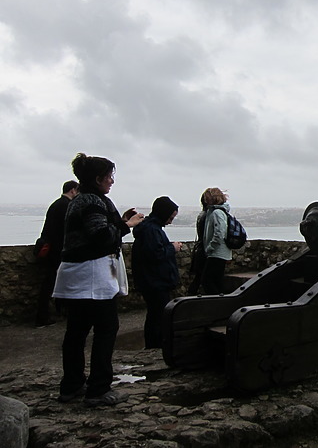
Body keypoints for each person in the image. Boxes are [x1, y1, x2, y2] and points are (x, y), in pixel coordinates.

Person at [52, 153, 144, 407]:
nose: (111, 181)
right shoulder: (92, 201)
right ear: (97, 178)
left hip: (76, 276)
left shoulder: (80, 200)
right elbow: (101, 236)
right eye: (109, 176)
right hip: (91, 277)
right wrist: (128, 226)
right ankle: (98, 389)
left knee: (76, 333)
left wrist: (121, 220)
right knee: (106, 330)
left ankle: (71, 385)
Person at [131, 196, 182, 349]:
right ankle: (155, 346)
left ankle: (154, 344)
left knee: (155, 315)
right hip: (155, 281)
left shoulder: (149, 228)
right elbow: (155, 255)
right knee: (158, 316)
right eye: (170, 217)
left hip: (151, 280)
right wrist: (172, 248)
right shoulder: (152, 230)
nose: (170, 221)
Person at [34, 180, 79, 327]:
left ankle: (51, 313)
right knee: (52, 283)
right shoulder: (66, 206)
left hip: (50, 249)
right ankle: (46, 315)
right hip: (57, 250)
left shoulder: (56, 204)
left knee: (51, 283)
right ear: (73, 190)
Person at [200, 187, 232, 295]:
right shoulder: (217, 211)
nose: (205, 201)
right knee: (216, 281)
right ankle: (220, 302)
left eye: (207, 198)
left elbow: (219, 233)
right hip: (219, 253)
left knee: (207, 280)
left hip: (217, 253)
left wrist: (210, 247)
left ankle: (216, 303)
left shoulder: (217, 213)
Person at [186, 196, 208, 296]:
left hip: (199, 249)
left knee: (199, 277)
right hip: (204, 250)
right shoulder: (208, 215)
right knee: (202, 278)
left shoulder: (201, 215)